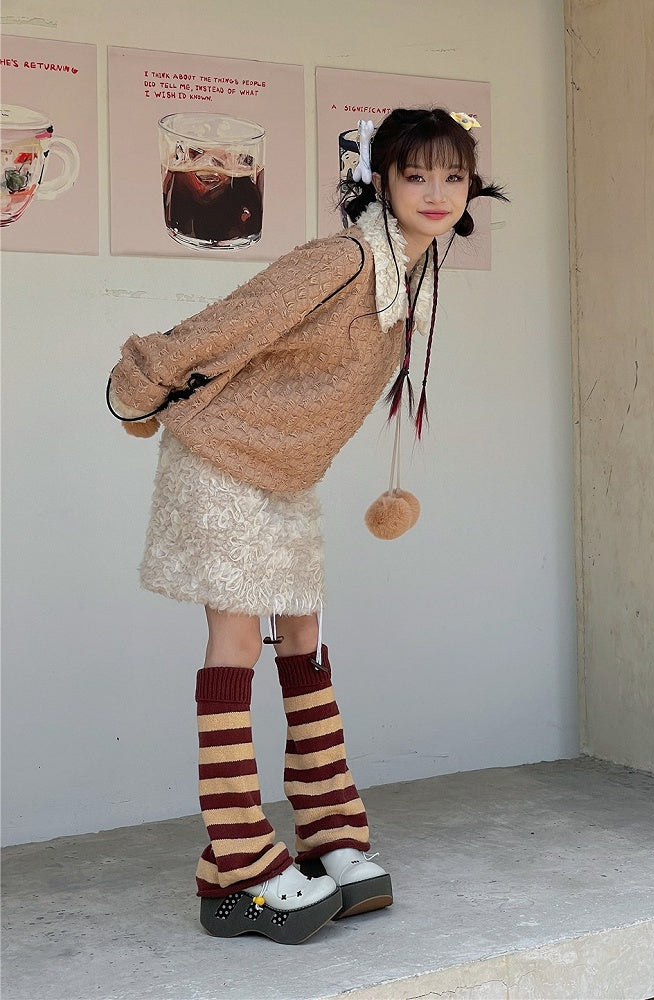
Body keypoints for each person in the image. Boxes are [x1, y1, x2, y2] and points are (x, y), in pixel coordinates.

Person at [107, 107, 506, 944]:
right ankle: (238, 867)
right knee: (237, 642)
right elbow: (230, 322)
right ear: (381, 180)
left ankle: (329, 834)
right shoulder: (343, 259)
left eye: (453, 175)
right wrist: (138, 385)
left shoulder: (412, 271)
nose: (436, 192)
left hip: (285, 473)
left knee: (305, 640)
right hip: (220, 457)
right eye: (416, 175)